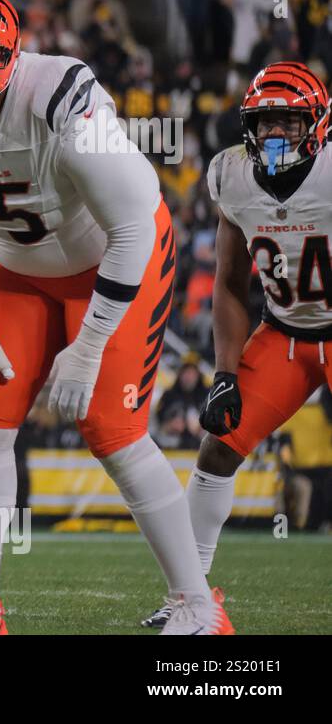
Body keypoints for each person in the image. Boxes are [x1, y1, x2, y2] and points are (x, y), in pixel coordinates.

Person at [0, 0, 231, 634]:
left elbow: (135, 224)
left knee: (111, 425)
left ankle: (199, 605)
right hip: (17, 269)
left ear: (5, 57)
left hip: (112, 258)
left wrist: (88, 346)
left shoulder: (58, 96)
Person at [142, 61, 332, 627]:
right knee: (218, 445)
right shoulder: (232, 176)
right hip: (286, 332)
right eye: (265, 122)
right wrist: (225, 372)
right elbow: (228, 282)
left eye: (289, 124)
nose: (275, 135)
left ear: (318, 125)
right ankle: (192, 598)